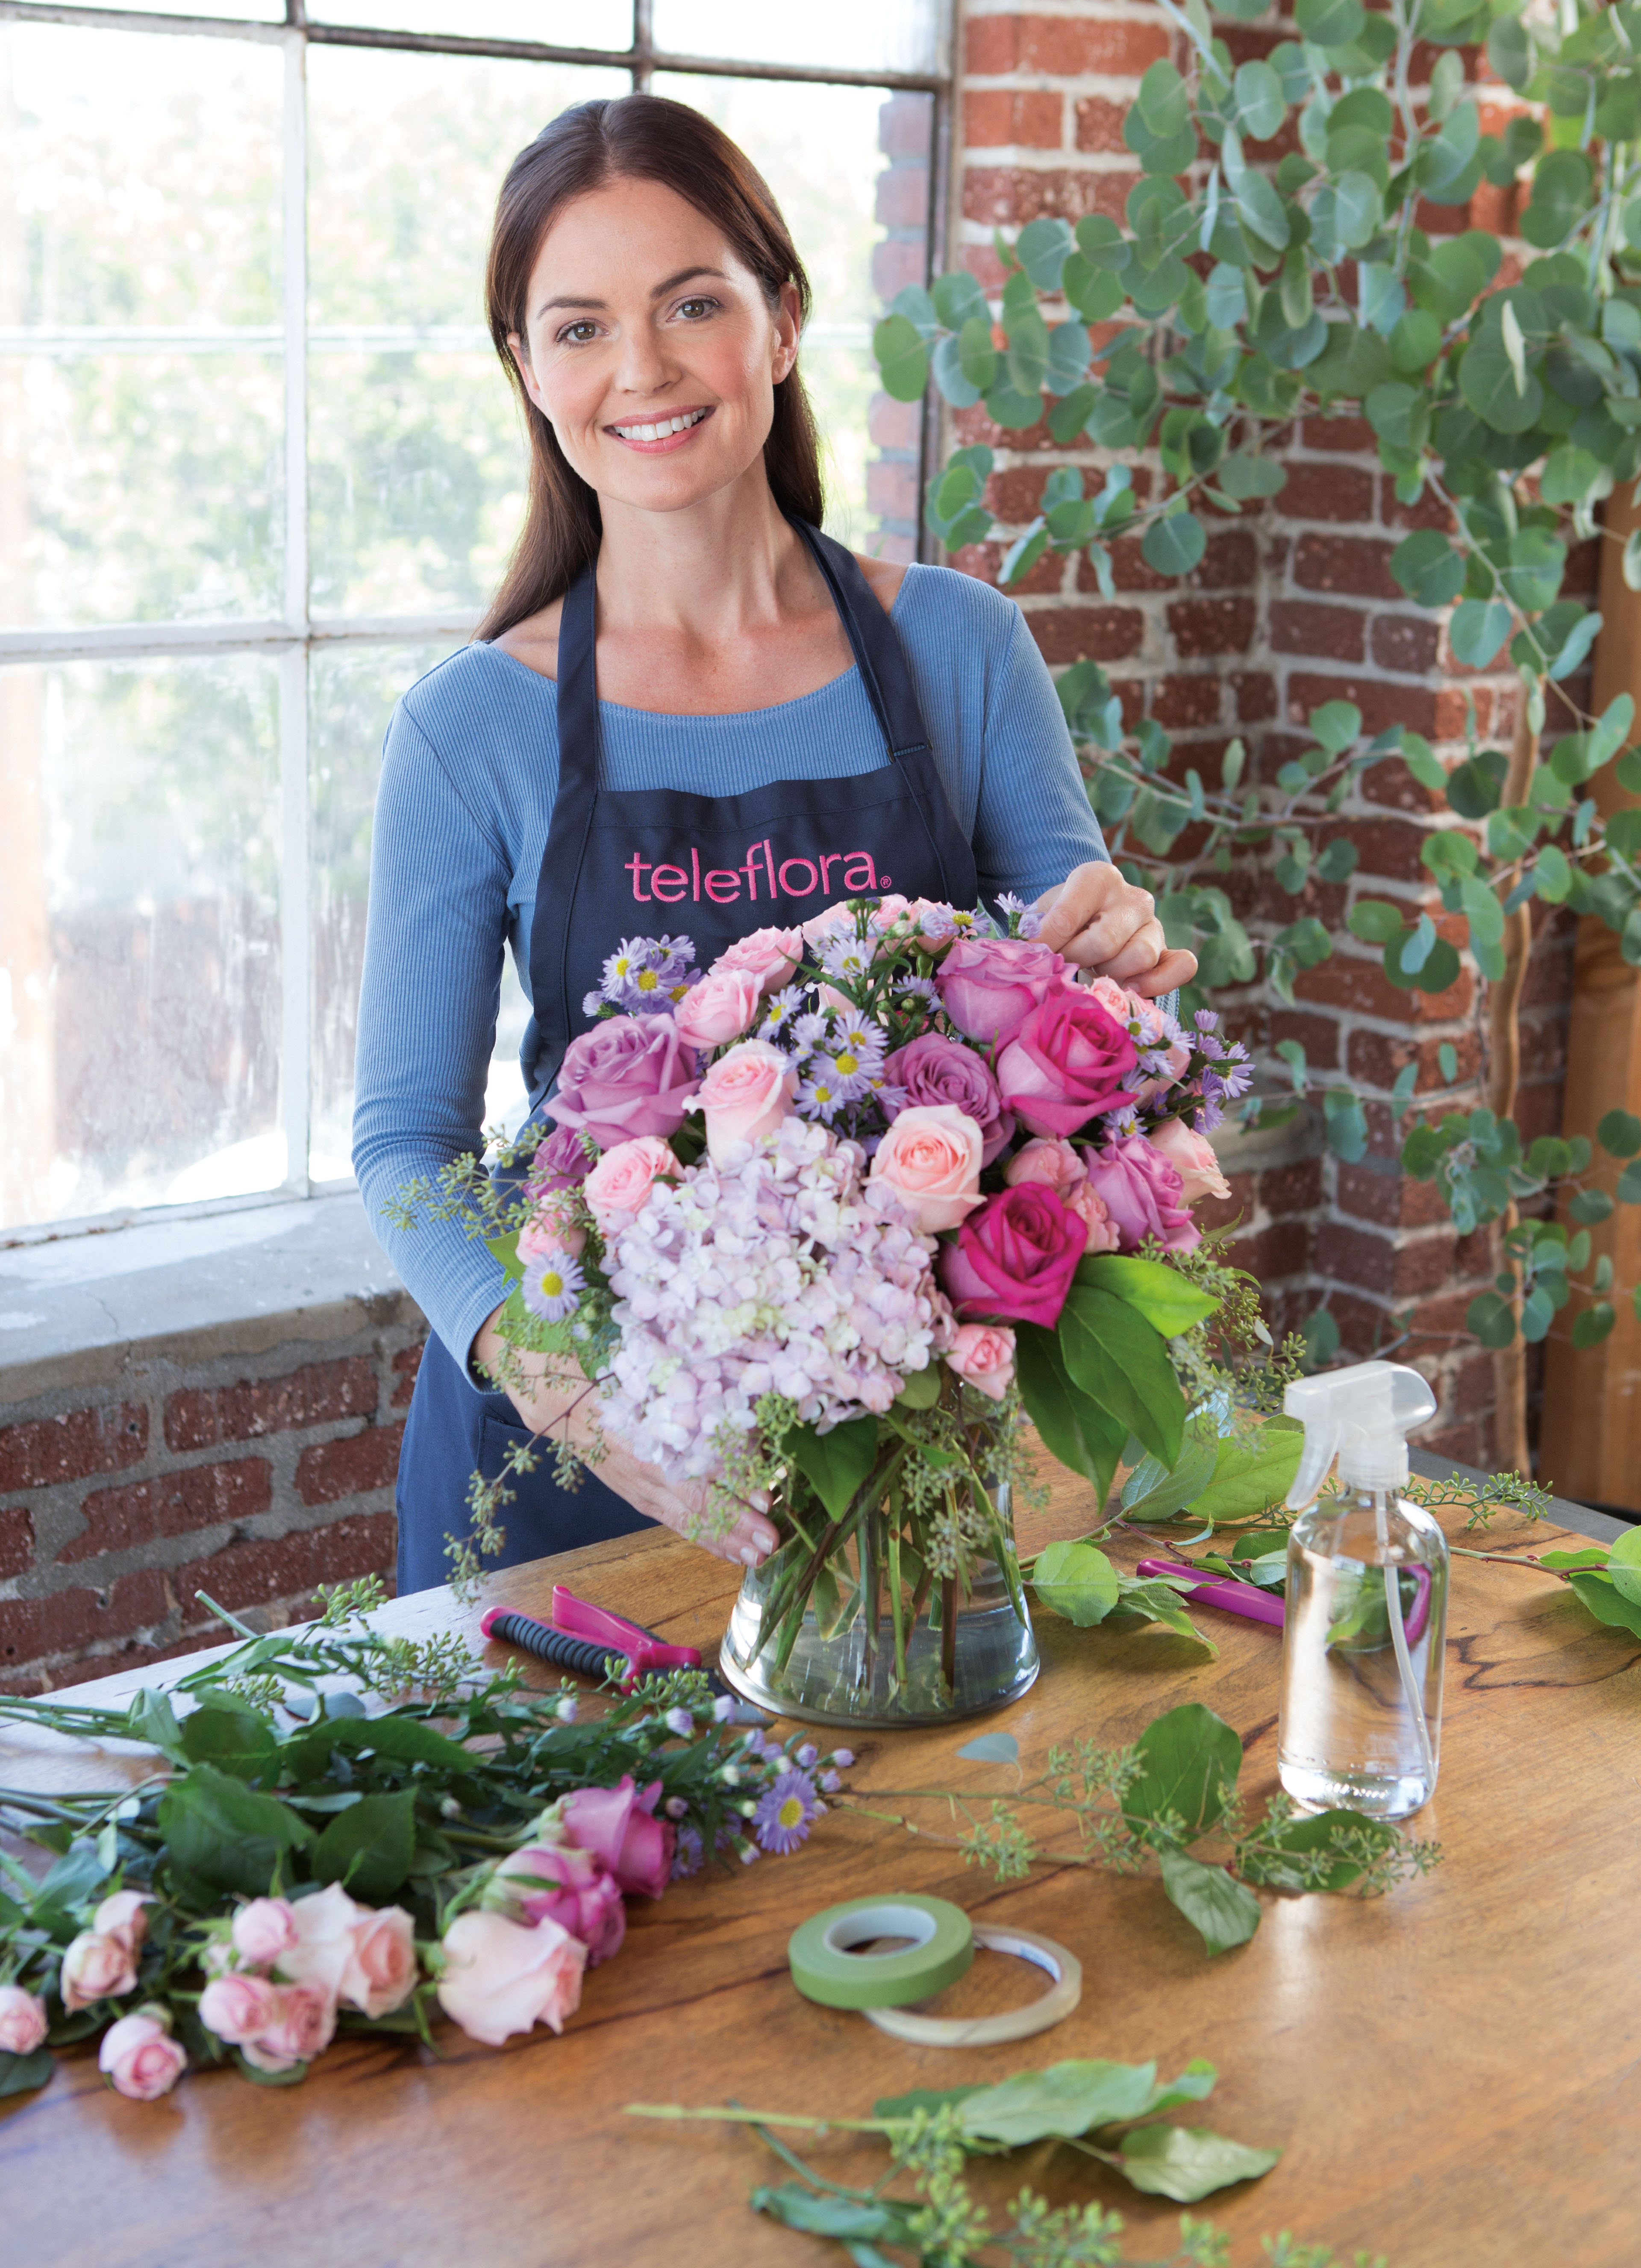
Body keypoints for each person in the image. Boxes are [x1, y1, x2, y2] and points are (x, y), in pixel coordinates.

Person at [353, 95, 1197, 1594]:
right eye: (580, 326)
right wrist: (579, 1398)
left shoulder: (959, 647)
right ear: (526, 371)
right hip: (575, 1470)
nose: (645, 370)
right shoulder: (467, 725)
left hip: (894, 1442)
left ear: (784, 320)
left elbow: (1081, 1025)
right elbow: (407, 1150)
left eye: (693, 303)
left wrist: (1117, 970)